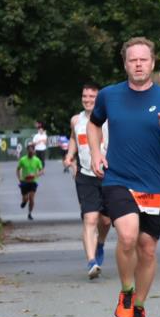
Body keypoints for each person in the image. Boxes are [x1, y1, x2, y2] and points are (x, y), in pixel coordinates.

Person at [87, 37, 160, 317]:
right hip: (118, 179)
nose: (139, 64)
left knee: (148, 249)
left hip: (154, 184)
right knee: (128, 236)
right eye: (133, 60)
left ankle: (139, 310)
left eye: (144, 59)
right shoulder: (109, 95)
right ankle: (127, 291)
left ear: (153, 63)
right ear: (125, 64)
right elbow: (94, 123)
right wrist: (95, 152)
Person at [63, 83, 112, 278]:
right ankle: (92, 261)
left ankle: (100, 244)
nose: (88, 100)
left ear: (98, 99)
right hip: (85, 175)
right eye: (85, 96)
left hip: (108, 174)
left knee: (106, 221)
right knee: (90, 218)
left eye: (92, 96)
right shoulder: (76, 120)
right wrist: (69, 155)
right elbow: (73, 139)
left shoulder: (108, 118)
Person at [16, 143, 44, 220]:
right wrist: (19, 178)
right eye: (29, 151)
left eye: (32, 151)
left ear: (34, 151)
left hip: (33, 181)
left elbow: (42, 171)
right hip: (24, 181)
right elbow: (18, 169)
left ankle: (30, 213)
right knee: (25, 198)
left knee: (31, 198)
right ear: (27, 151)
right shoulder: (22, 160)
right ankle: (24, 202)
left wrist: (35, 175)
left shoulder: (37, 160)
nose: (31, 152)